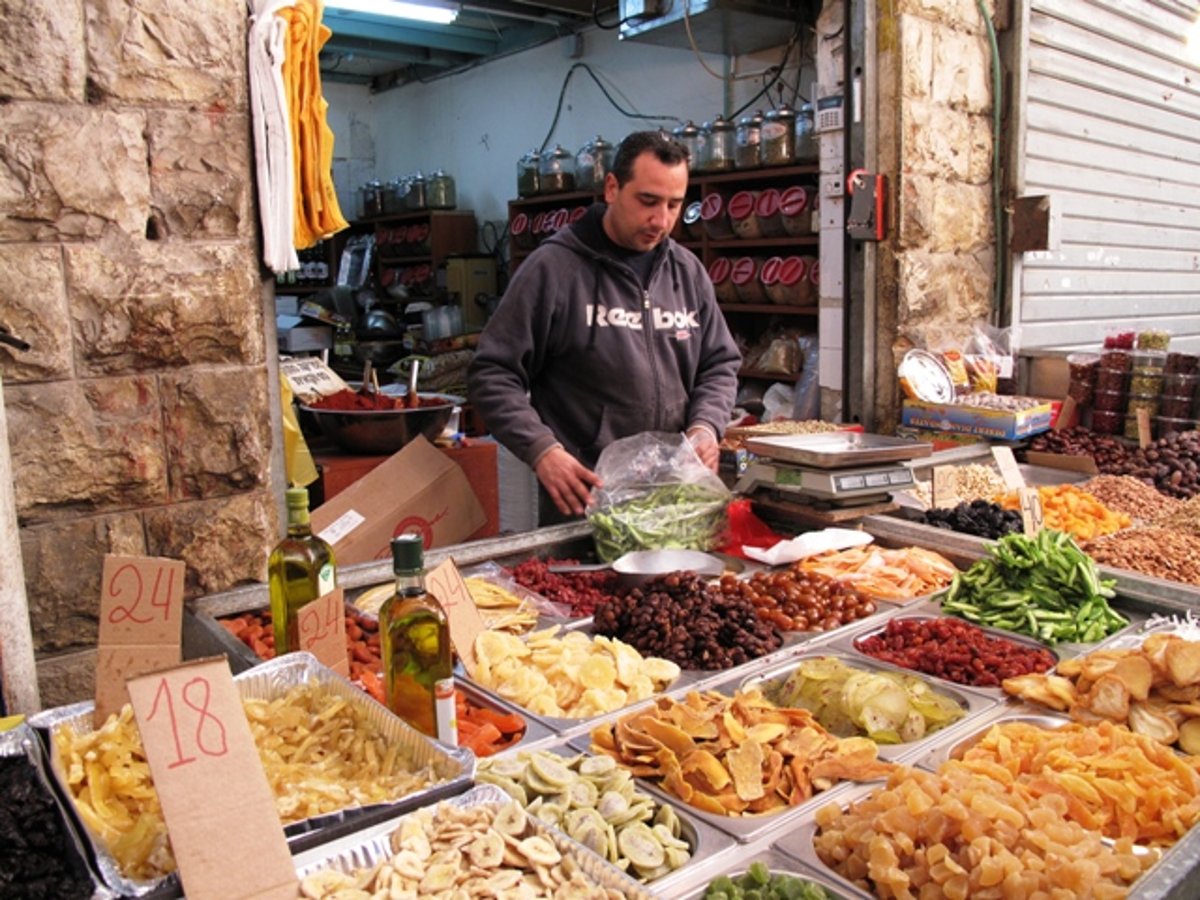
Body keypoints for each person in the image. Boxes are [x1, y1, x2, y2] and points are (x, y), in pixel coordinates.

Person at [468, 130, 742, 523]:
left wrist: (705, 426)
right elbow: (491, 372)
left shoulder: (687, 272)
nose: (660, 220)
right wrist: (542, 450)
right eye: (647, 201)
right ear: (612, 187)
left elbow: (719, 363)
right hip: (588, 505)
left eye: (674, 205)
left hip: (673, 504)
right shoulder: (554, 269)